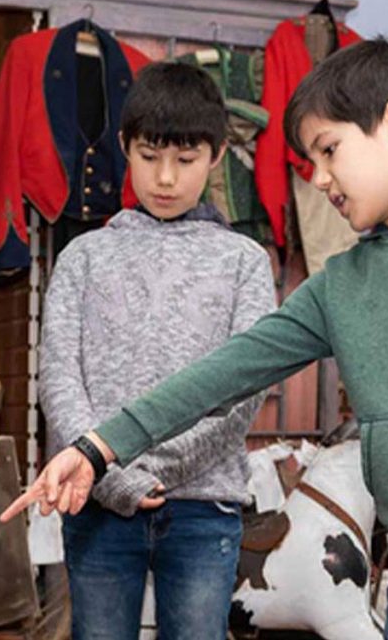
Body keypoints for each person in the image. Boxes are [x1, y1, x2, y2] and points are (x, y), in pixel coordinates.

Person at [4, 38, 388, 640]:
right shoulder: (343, 284)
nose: (320, 178)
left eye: (329, 151)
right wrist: (95, 448)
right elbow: (222, 374)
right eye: (311, 161)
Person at [36, 61, 276, 640]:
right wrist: (108, 476)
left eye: (186, 160)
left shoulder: (244, 262)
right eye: (149, 156)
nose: (165, 178)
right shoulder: (84, 256)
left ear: (217, 156)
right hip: (96, 502)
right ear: (124, 147)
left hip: (201, 507)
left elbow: (244, 394)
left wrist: (144, 471)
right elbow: (58, 375)